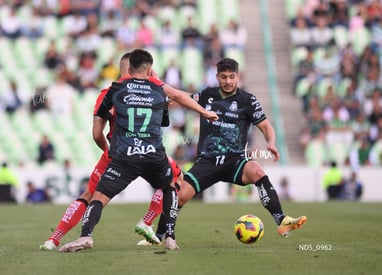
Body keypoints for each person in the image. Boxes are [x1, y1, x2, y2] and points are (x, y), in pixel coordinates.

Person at [58, 49, 218, 252]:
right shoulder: (158, 88)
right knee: (170, 187)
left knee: (98, 197)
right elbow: (176, 98)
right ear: (150, 69)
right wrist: (204, 112)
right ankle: (170, 237)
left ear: (128, 68)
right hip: (153, 154)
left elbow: (100, 117)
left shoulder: (116, 88)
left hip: (125, 155)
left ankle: (86, 236)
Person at [138, 57, 307, 246]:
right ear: (217, 77)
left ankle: (281, 220)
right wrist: (158, 83)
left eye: (232, 77)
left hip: (234, 161)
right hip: (207, 162)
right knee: (180, 196)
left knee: (257, 171)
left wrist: (272, 143)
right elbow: (180, 96)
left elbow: (266, 127)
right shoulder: (206, 95)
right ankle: (159, 236)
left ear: (238, 77)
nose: (228, 81)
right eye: (224, 77)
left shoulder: (247, 100)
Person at [39, 53, 132, 251]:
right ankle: (163, 233)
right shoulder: (153, 91)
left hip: (116, 153)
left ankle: (55, 238)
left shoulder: (109, 92)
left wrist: (108, 150)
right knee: (173, 180)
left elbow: (97, 133)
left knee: (89, 195)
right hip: (147, 152)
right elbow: (171, 104)